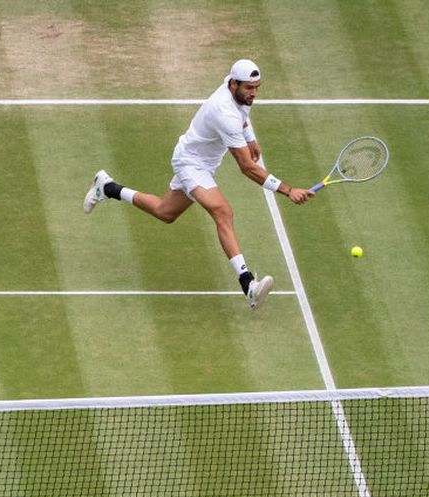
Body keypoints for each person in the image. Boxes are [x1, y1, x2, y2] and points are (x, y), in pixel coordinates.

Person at [83, 59, 313, 309]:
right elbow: (247, 167)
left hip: (201, 161)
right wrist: (288, 190)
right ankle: (248, 285)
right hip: (191, 164)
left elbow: (243, 116)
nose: (254, 93)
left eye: (257, 87)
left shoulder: (236, 91)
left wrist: (250, 138)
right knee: (223, 212)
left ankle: (107, 187)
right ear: (234, 83)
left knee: (165, 212)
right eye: (249, 88)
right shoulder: (224, 112)